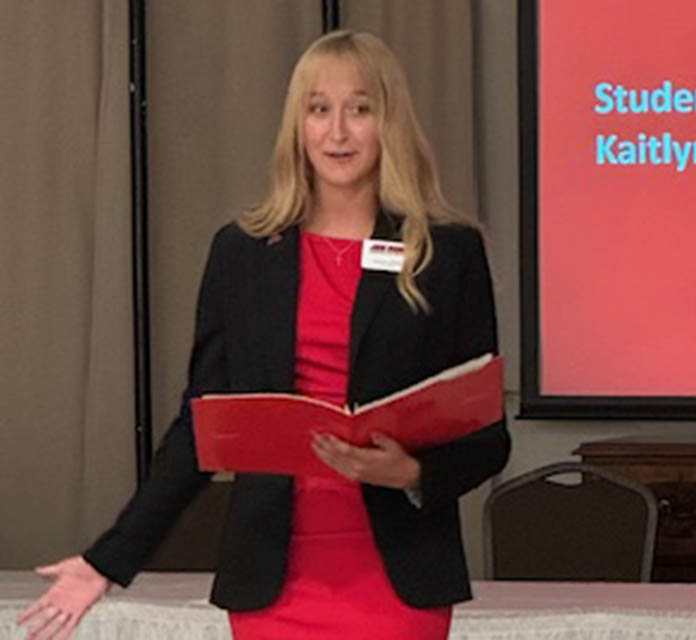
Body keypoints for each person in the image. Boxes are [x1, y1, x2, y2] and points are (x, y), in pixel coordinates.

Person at [18, 30, 509, 640]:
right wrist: (106, 563)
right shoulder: (244, 253)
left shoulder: (446, 251)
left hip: (397, 584)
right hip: (274, 584)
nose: (337, 132)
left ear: (390, 122)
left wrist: (409, 474)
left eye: (360, 109)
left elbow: (487, 439)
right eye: (318, 109)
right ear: (296, 125)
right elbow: (201, 428)